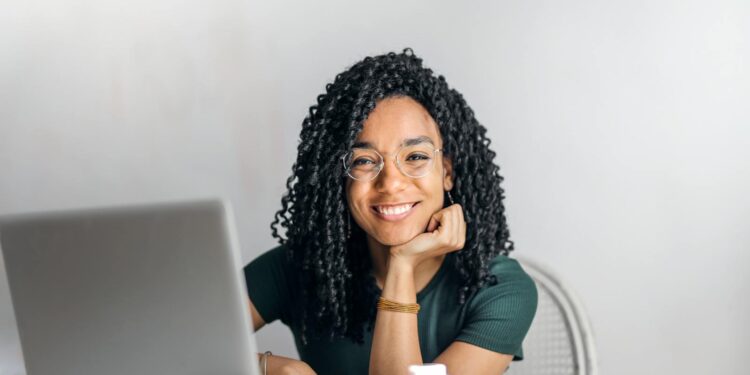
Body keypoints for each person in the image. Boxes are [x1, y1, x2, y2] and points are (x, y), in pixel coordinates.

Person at [244, 48, 537, 375]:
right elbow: (180, 341)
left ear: (447, 172)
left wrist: (402, 264)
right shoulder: (301, 265)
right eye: (364, 161)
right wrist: (269, 368)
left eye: (415, 157)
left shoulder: (499, 288)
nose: (391, 183)